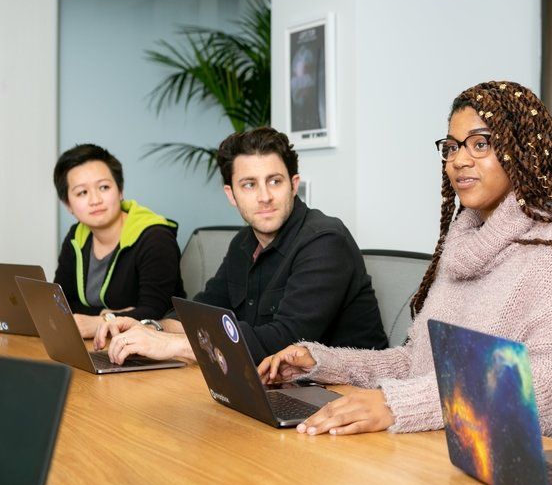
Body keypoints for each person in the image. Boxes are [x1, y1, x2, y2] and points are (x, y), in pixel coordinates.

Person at [258, 81, 552, 452]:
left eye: (481, 144)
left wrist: (399, 405)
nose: (459, 160)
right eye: (452, 147)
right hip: (463, 451)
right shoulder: (464, 246)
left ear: (523, 153)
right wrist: (322, 362)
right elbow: (417, 364)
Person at [94, 127, 387, 364]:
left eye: (274, 181)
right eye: (249, 184)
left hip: (346, 396)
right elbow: (203, 312)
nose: (264, 196)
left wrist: (171, 345)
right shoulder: (243, 243)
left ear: (294, 184)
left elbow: (284, 341)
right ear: (231, 194)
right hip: (277, 388)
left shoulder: (324, 241)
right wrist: (151, 328)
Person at [53, 144, 184, 339]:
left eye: (104, 187)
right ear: (68, 205)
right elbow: (61, 303)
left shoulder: (155, 237)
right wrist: (107, 314)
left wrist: (99, 322)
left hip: (156, 348)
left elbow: (155, 313)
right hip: (100, 344)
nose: (95, 199)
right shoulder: (76, 236)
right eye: (82, 192)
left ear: (120, 190)